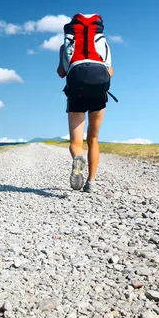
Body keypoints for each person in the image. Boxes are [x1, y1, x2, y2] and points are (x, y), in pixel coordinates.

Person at [57, 13, 114, 193]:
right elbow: (110, 71)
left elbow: (61, 73)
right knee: (93, 138)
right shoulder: (102, 42)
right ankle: (91, 182)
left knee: (76, 141)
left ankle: (78, 157)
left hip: (76, 89)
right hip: (98, 90)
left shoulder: (65, 45)